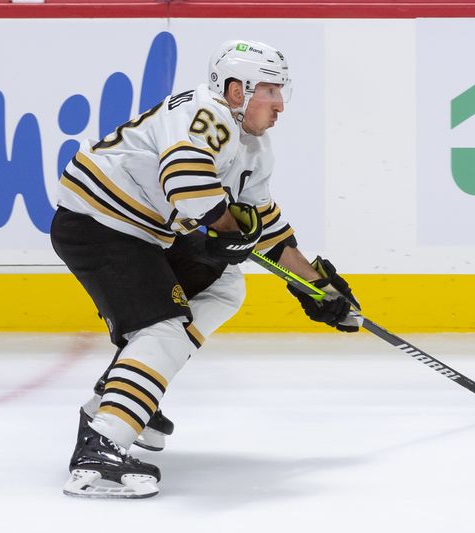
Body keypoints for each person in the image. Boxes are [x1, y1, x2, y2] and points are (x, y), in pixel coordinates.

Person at [50, 39, 361, 499]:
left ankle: (121, 399)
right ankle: (99, 449)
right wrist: (224, 227)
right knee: (163, 326)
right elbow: (186, 180)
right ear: (237, 90)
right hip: (99, 225)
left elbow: (266, 227)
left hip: (141, 233)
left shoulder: (254, 147)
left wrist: (318, 288)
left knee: (224, 287)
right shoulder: (206, 114)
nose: (279, 104)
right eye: (270, 91)